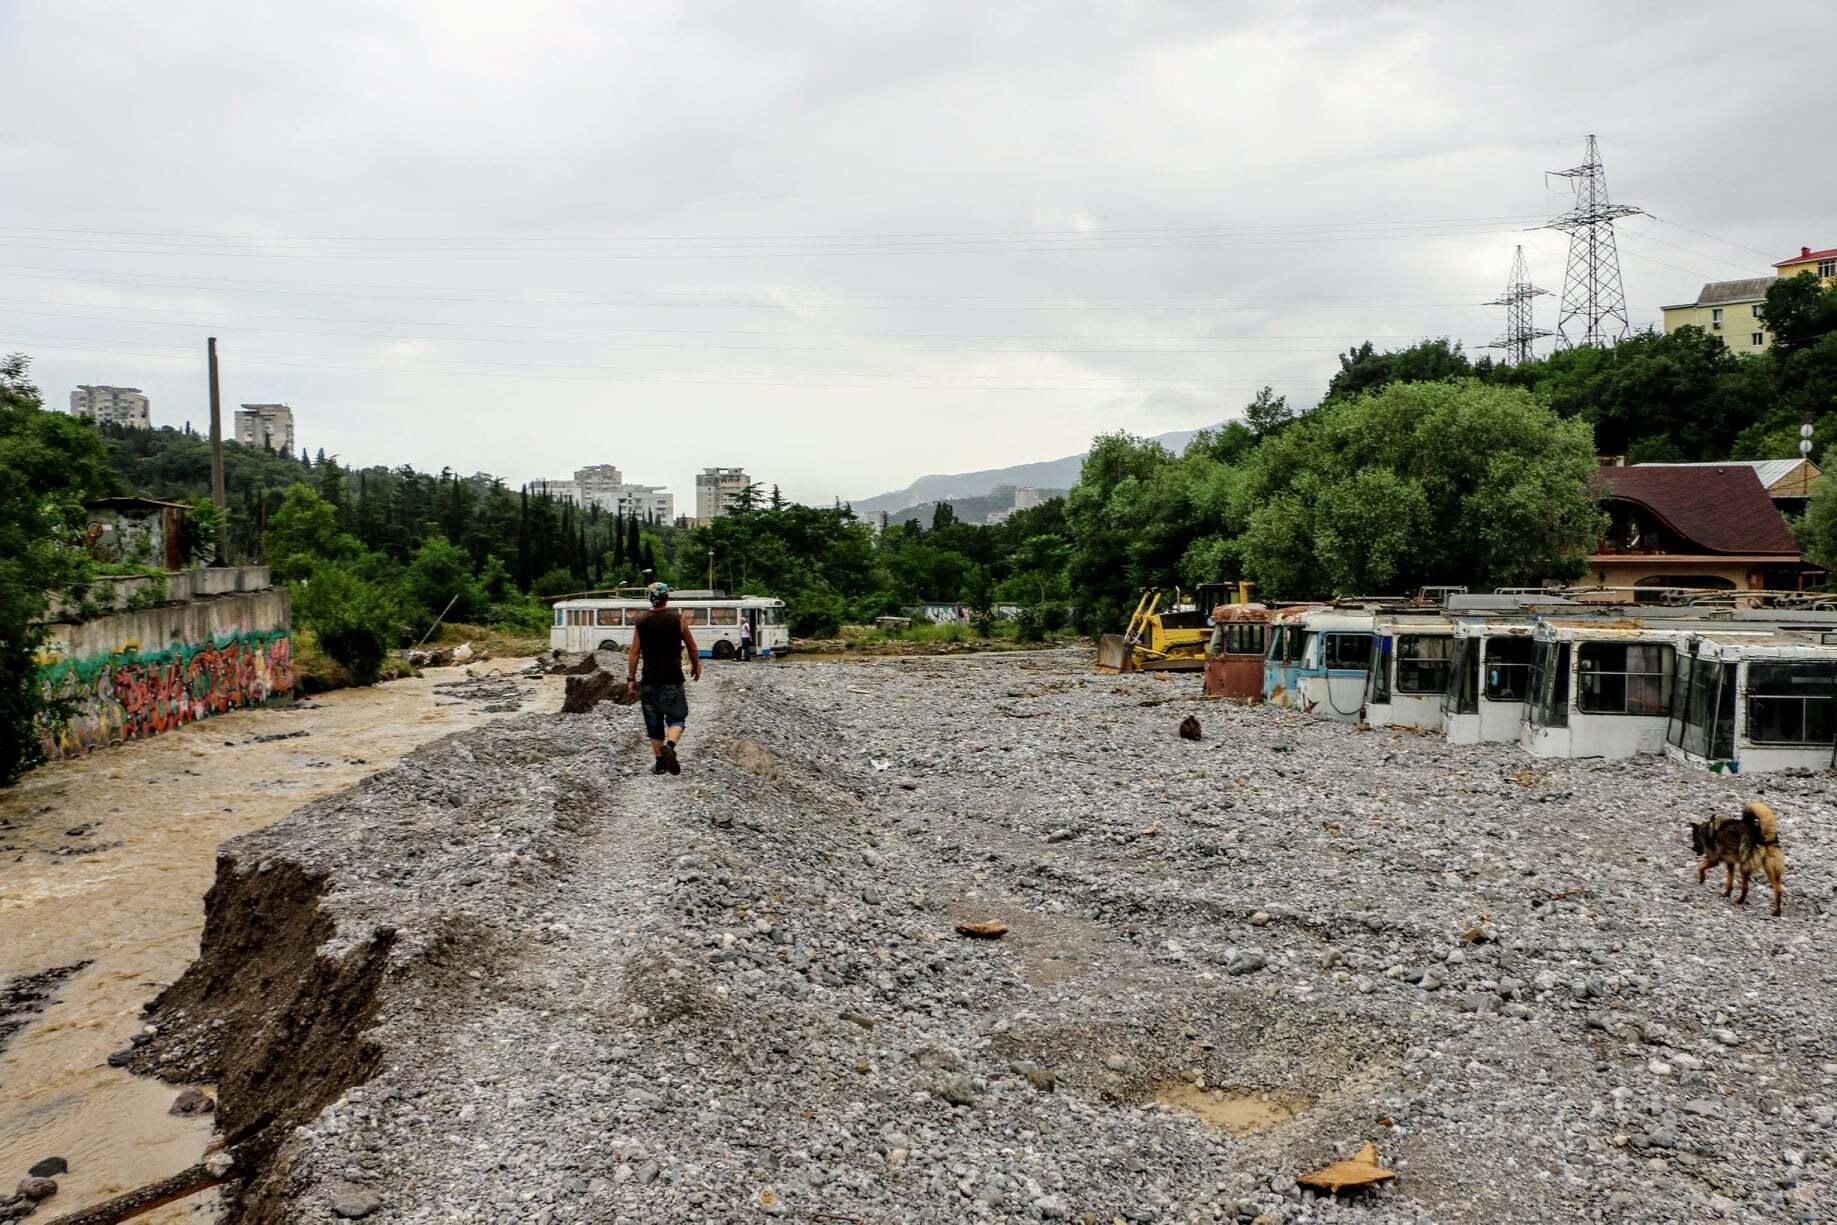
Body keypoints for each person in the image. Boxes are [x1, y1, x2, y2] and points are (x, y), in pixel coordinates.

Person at [626, 582, 701, 775]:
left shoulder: (641, 621)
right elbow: (692, 647)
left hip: (649, 681)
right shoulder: (677, 619)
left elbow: (634, 653)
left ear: (650, 598)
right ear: (667, 597)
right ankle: (670, 745)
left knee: (653, 722)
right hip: (673, 680)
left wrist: (631, 679)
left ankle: (659, 763)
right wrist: (696, 666)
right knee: (677, 718)